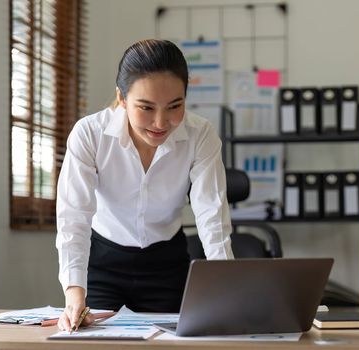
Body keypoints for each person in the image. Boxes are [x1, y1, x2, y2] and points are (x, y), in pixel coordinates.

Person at [55, 39, 234, 331]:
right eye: (146, 107)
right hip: (103, 262)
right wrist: (74, 292)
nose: (161, 122)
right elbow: (74, 216)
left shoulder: (200, 135)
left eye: (175, 106)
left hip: (166, 263)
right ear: (122, 99)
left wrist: (228, 286)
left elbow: (211, 213)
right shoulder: (90, 134)